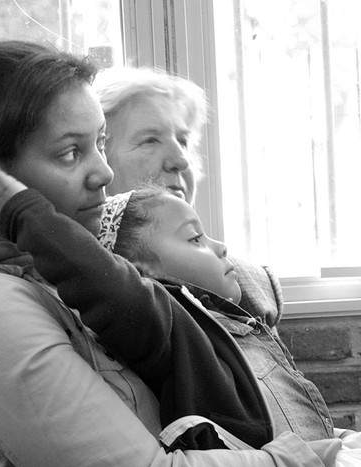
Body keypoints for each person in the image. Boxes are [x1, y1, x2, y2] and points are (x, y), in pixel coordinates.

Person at [0, 38, 340, 466]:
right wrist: (300, 456)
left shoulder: (43, 276)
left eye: (101, 144)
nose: (104, 173)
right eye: (71, 153)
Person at [0, 164, 361, 467]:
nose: (219, 247)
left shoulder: (238, 319)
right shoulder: (168, 321)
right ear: (139, 273)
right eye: (194, 238)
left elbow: (253, 281)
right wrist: (27, 212)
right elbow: (107, 285)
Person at [94, 67, 285, 329]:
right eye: (150, 140)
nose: (181, 160)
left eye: (183, 141)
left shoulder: (248, 287)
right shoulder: (65, 297)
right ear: (97, 163)